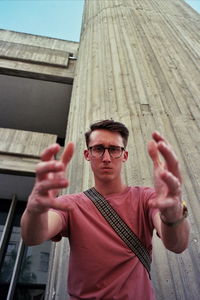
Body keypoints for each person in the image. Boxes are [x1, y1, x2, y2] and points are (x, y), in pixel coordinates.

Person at [21, 119, 190, 300]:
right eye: (99, 149)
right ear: (87, 154)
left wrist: (173, 215)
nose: (107, 158)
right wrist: (34, 210)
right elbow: (32, 237)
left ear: (124, 155)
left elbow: (177, 245)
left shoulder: (146, 198)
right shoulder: (70, 204)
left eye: (114, 149)